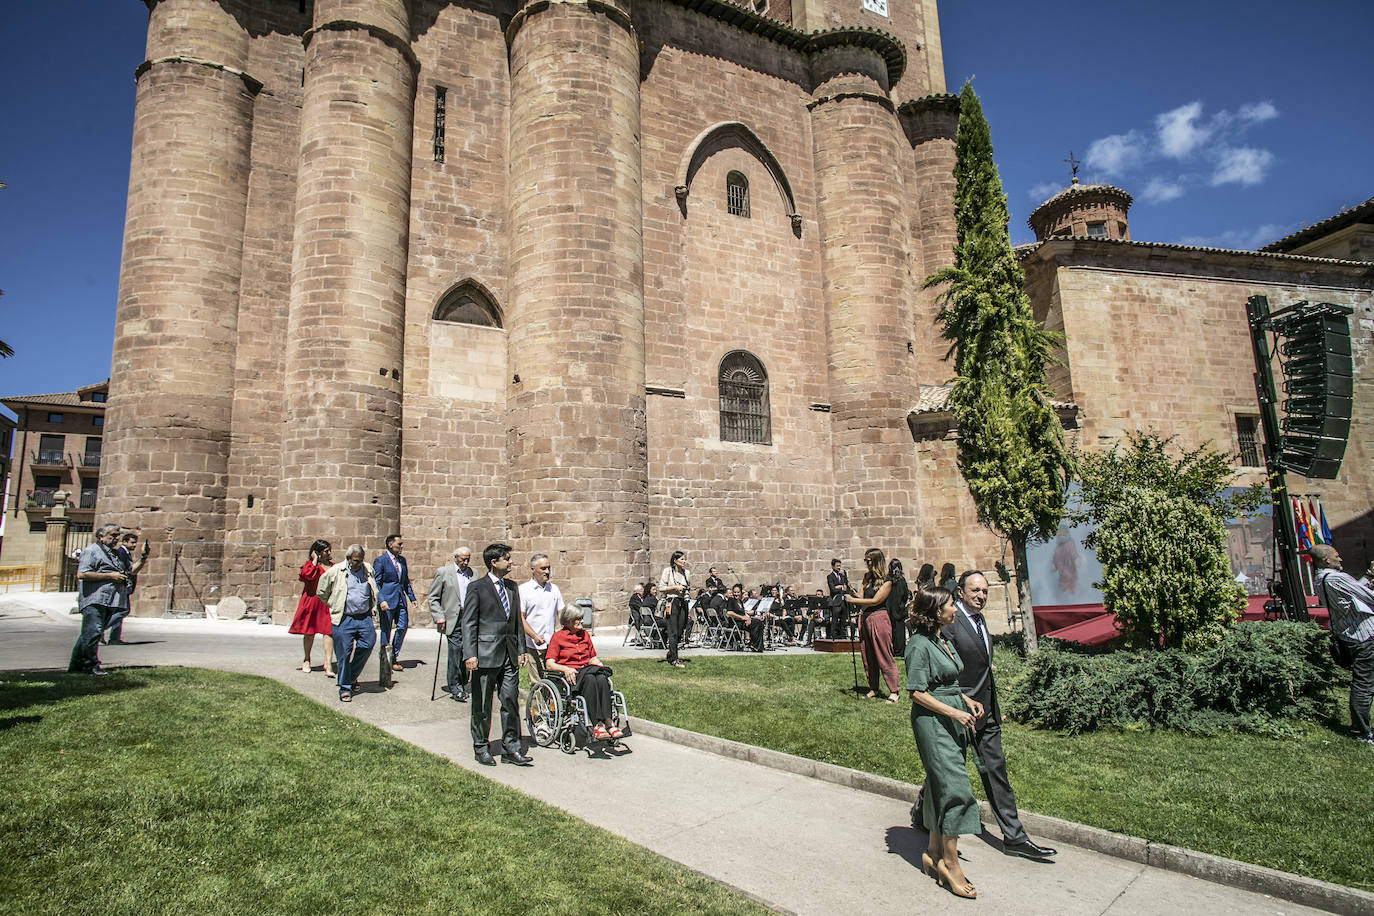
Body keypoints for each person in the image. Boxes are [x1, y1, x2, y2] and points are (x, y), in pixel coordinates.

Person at [945, 570, 1056, 860]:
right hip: (961, 711)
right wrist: (961, 700)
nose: (981, 596)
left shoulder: (979, 620)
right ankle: (923, 815)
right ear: (960, 592)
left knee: (996, 772)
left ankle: (1014, 838)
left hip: (988, 712)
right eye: (975, 591)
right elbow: (942, 672)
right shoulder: (950, 621)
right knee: (948, 773)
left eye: (984, 591)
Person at [906, 585, 984, 899]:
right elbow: (917, 691)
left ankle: (934, 853)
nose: (955, 609)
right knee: (955, 790)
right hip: (934, 724)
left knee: (940, 788)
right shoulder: (920, 645)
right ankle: (951, 864)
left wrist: (965, 700)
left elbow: (944, 681)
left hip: (951, 719)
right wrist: (954, 711)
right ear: (936, 611)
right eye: (951, 604)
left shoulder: (940, 640)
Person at [461, 543, 533, 767]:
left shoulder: (512, 587)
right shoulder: (477, 588)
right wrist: (470, 654)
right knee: (482, 703)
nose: (511, 562)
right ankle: (481, 746)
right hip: (485, 654)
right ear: (494, 562)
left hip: (509, 656)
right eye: (507, 559)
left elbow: (516, 623)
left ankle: (511, 748)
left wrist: (522, 648)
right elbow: (469, 623)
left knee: (510, 701)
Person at [1311, 544, 1374, 745]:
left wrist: (1369, 576)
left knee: (1363, 681)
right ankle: (1361, 731)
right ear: (1326, 560)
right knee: (1363, 684)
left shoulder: (1321, 579)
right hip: (1363, 636)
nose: (1341, 559)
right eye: (1337, 556)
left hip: (1348, 635)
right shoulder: (1337, 577)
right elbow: (1369, 598)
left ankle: (1361, 728)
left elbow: (1356, 591)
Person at [544, 605, 624, 741]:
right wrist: (565, 669)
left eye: (582, 618)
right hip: (572, 677)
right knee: (591, 679)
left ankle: (609, 722)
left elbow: (592, 657)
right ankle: (597, 724)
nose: (582, 621)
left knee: (601, 677)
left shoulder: (585, 635)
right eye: (578, 619)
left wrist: (597, 662)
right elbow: (549, 664)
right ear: (569, 621)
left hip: (587, 671)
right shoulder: (558, 637)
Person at [317, 544, 381, 703]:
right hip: (344, 618)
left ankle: (351, 675)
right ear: (348, 559)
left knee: (368, 643)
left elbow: (373, 589)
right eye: (355, 561)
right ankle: (345, 687)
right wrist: (334, 604)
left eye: (360, 561)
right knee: (344, 654)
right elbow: (321, 592)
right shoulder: (336, 571)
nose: (357, 564)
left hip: (364, 617)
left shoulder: (368, 570)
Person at [69, 523, 130, 676]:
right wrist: (110, 576)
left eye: (118, 535)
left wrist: (143, 558)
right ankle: (90, 665)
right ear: (101, 537)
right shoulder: (91, 551)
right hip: (94, 599)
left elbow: (129, 570)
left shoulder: (115, 554)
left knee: (89, 633)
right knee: (93, 632)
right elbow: (82, 574)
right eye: (113, 536)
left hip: (110, 599)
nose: (117, 538)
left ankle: (76, 665)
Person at [843, 548, 902, 702]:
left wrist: (853, 601)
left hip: (879, 618)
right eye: (865, 560)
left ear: (876, 561)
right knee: (868, 655)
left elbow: (876, 601)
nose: (866, 563)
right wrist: (852, 592)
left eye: (868, 560)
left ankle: (894, 690)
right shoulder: (867, 577)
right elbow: (862, 596)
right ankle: (873, 688)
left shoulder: (888, 580)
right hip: (866, 617)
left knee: (883, 654)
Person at [428, 546, 475, 702]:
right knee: (455, 651)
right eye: (463, 559)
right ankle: (455, 686)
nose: (466, 562)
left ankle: (463, 681)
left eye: (468, 559)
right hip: (452, 618)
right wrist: (439, 616)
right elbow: (433, 598)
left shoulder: (473, 574)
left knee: (467, 651)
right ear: (455, 558)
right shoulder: (444, 572)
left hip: (469, 617)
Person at [288, 539, 336, 676]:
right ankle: (307, 659)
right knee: (309, 632)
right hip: (312, 601)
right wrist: (314, 561)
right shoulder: (309, 566)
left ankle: (328, 663)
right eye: (326, 551)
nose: (329, 553)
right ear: (318, 553)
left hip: (326, 603)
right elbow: (306, 576)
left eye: (329, 550)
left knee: (328, 632)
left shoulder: (333, 566)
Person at [373, 534, 415, 672]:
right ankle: (385, 660)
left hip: (400, 598)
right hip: (387, 600)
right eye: (399, 544)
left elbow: (405, 581)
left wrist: (412, 597)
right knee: (386, 630)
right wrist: (381, 600)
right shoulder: (381, 561)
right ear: (390, 545)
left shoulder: (402, 561)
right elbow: (376, 583)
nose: (402, 547)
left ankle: (394, 656)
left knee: (402, 626)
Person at [519, 553, 564, 678]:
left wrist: (562, 632)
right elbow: (520, 617)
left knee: (555, 678)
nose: (547, 571)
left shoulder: (554, 589)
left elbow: (561, 613)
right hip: (534, 644)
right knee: (537, 681)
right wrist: (534, 636)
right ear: (533, 570)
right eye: (543, 568)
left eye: (548, 568)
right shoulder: (524, 590)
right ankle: (537, 698)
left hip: (552, 643)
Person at [104, 529, 148, 645]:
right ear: (124, 542)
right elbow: (128, 570)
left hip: (124, 586)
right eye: (132, 543)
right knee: (123, 610)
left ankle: (114, 638)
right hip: (122, 586)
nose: (134, 545)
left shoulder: (125, 553)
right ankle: (100, 630)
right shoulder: (121, 553)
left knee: (119, 612)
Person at [658, 550, 690, 668]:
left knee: (681, 630)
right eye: (681, 559)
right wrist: (675, 587)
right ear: (675, 560)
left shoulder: (687, 573)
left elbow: (688, 587)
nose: (684, 561)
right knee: (673, 631)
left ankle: (671, 652)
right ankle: (675, 660)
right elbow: (661, 587)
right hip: (672, 601)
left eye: (684, 559)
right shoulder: (668, 571)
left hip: (683, 602)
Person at [725, 583, 764, 651]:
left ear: (741, 593)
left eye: (738, 592)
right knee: (756, 624)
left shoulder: (740, 601)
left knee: (758, 622)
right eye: (734, 592)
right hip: (736, 623)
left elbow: (744, 613)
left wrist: (749, 618)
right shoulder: (731, 600)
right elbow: (729, 612)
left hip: (743, 621)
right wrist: (742, 618)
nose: (736, 594)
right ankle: (754, 645)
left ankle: (757, 645)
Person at [886, 558, 911, 660]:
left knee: (894, 631)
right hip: (897, 609)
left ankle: (894, 650)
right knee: (898, 632)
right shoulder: (900, 580)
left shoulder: (889, 579)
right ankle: (899, 650)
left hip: (892, 609)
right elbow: (905, 595)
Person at [826, 558, 852, 639]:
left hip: (843, 601)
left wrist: (843, 587)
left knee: (843, 621)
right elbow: (833, 589)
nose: (839, 567)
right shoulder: (830, 577)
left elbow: (846, 588)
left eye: (839, 566)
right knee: (835, 620)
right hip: (836, 602)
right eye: (837, 566)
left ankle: (843, 637)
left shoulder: (842, 576)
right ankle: (833, 637)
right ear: (833, 566)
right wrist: (840, 587)